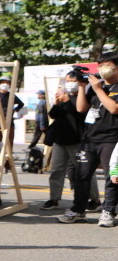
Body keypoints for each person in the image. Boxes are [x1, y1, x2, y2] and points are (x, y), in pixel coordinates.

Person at [59, 55, 118, 227]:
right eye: (99, 66)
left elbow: (114, 109)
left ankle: (108, 211)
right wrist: (84, 88)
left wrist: (99, 89)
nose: (101, 69)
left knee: (111, 176)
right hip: (90, 138)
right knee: (81, 175)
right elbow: (81, 108)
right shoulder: (95, 86)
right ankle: (78, 210)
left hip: (112, 138)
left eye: (106, 65)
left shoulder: (107, 87)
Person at [43, 73, 85, 211]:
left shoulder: (82, 96)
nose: (69, 83)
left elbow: (80, 113)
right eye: (67, 81)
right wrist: (56, 103)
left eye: (72, 80)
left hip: (76, 140)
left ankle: (93, 198)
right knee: (56, 170)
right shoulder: (63, 96)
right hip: (59, 139)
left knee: (83, 171)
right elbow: (53, 115)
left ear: (79, 82)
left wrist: (67, 101)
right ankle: (54, 198)